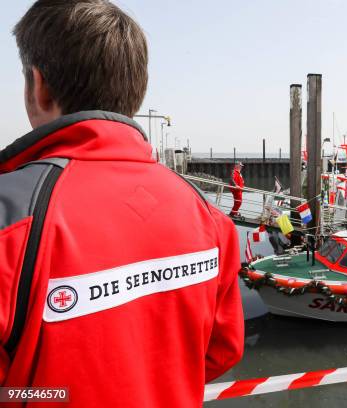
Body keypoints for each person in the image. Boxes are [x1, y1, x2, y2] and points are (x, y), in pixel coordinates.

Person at [0, 1, 243, 406]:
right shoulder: (207, 217)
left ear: (38, 86)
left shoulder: (14, 220)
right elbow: (221, 351)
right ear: (133, 91)